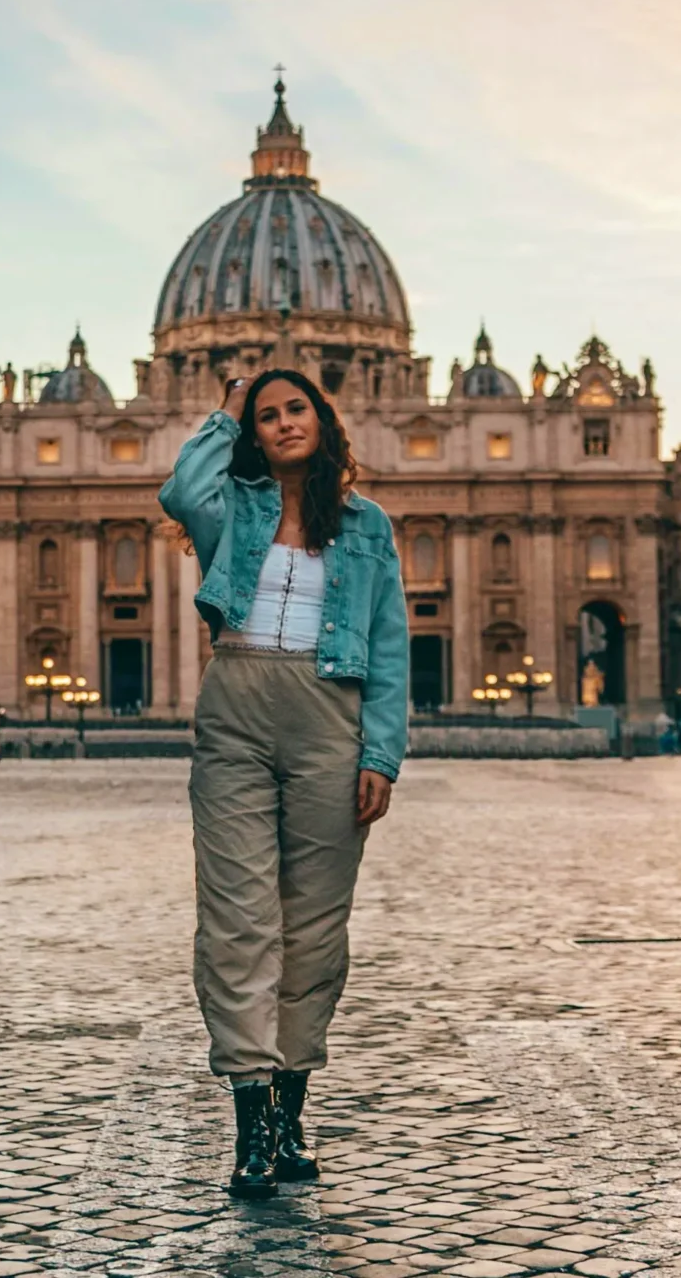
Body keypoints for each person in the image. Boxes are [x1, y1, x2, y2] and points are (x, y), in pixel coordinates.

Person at [157, 368, 408, 1200]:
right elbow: (181, 485)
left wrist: (381, 754)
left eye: (295, 408)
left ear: (322, 418)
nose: (282, 423)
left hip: (328, 714)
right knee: (235, 918)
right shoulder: (231, 509)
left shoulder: (369, 527)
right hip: (236, 702)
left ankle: (292, 1104)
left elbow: (390, 646)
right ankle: (251, 1123)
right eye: (266, 416)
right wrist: (224, 414)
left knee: (314, 929)